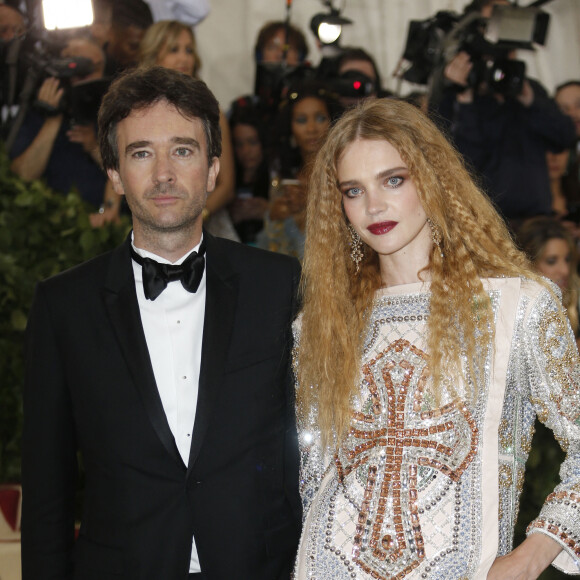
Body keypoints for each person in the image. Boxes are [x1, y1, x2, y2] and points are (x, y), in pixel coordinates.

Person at [21, 66, 302, 579]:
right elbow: (46, 491)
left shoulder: (280, 286)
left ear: (214, 169)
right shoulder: (64, 306)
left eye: (183, 150)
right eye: (142, 153)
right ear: (114, 174)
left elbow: (313, 452)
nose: (164, 174)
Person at [293, 97, 580, 579]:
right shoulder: (319, 328)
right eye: (353, 190)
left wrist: (531, 556)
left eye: (393, 180)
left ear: (433, 177)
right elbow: (313, 479)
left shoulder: (519, 305)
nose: (374, 206)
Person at [139, 19, 238, 241]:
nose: (184, 58)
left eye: (189, 50)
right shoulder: (136, 115)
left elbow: (227, 185)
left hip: (208, 229)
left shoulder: (211, 112)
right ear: (154, 55)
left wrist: (195, 216)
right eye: (174, 49)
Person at [9, 36, 108, 209]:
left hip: (106, 222)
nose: (89, 76)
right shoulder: (35, 115)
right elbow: (22, 177)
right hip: (53, 222)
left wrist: (94, 145)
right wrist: (52, 120)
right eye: (81, 68)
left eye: (96, 68)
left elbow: (130, 174)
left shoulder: (113, 114)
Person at [257, 81, 342, 259]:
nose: (312, 129)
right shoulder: (283, 181)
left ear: (333, 121)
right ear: (290, 128)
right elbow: (271, 245)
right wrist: (274, 216)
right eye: (302, 120)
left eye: (320, 118)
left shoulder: (346, 175)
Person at [517, 216, 580, 342]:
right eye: (551, 261)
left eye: (567, 259)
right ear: (528, 264)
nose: (565, 270)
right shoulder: (517, 313)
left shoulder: (574, 298)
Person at [228, 102, 271, 245]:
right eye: (239, 144)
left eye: (252, 142)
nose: (246, 151)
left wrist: (269, 211)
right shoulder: (226, 180)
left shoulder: (276, 177)